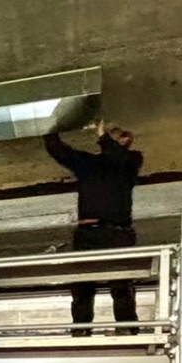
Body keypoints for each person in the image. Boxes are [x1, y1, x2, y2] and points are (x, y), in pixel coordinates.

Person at [43, 120, 142, 332]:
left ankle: (126, 327)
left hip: (117, 232)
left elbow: (116, 156)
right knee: (82, 286)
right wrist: (49, 126)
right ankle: (80, 329)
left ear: (126, 142)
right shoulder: (89, 163)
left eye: (118, 134)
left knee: (121, 284)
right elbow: (59, 151)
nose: (114, 136)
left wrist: (102, 136)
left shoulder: (130, 161)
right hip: (90, 233)